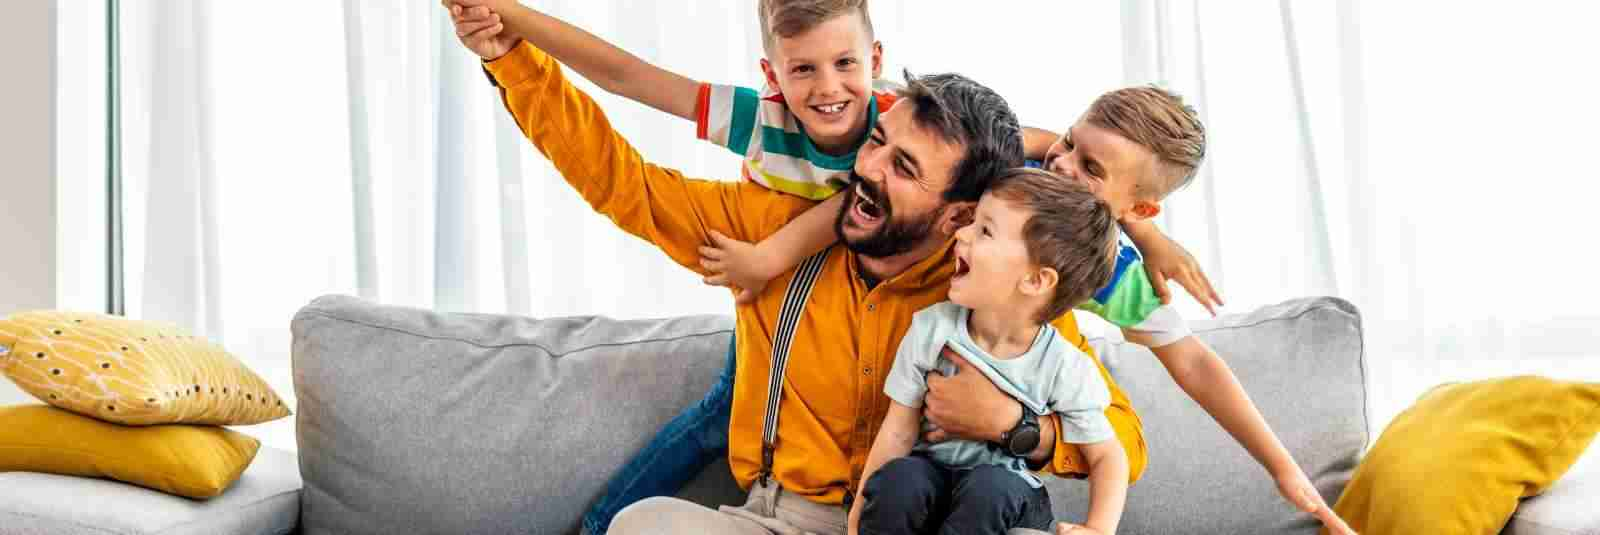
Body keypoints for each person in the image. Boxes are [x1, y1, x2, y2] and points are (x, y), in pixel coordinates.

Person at [444, 5, 1354, 535]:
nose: (868, 171)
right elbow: (622, 182)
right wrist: (508, 53)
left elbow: (1120, 433)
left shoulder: (1001, 285)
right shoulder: (780, 223)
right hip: (786, 519)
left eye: (904, 168)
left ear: (964, 212)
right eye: (878, 144)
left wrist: (1019, 428)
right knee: (644, 527)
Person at [850, 167, 1128, 535]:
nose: (961, 234)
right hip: (931, 481)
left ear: (1035, 280)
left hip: (1005, 496)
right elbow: (897, 431)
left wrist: (1099, 529)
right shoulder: (931, 329)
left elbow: (1108, 456)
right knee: (899, 480)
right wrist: (856, 517)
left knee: (989, 488)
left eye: (985, 230)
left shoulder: (1064, 365)